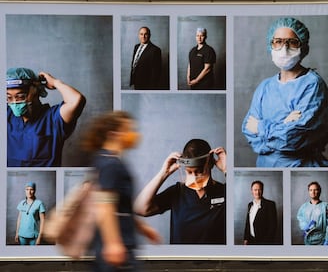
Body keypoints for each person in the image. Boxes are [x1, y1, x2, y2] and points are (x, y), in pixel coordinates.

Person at [242, 17, 328, 167]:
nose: (284, 49)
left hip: (299, 167)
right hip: (265, 167)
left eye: (292, 42)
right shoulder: (265, 87)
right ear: (270, 45)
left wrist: (261, 127)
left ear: (302, 46)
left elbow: (293, 138)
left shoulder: (312, 84)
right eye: (278, 41)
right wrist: (284, 124)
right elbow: (248, 130)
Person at [81, 110, 161, 271]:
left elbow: (118, 204)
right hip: (116, 247)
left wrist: (141, 226)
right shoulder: (111, 165)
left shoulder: (104, 160)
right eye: (130, 130)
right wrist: (113, 244)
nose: (134, 134)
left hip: (118, 244)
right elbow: (105, 206)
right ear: (114, 134)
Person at [135, 139, 226, 244]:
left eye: (199, 172)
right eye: (189, 172)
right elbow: (140, 209)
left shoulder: (224, 192)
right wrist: (164, 173)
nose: (194, 178)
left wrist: (226, 170)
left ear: (210, 164)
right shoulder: (177, 192)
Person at [7, 67, 86, 167]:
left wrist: (56, 82)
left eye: (21, 96)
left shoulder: (53, 119)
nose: (14, 102)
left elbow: (76, 100)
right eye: (9, 97)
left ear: (35, 91)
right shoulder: (7, 115)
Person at [297, 181, 328, 245]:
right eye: (311, 190)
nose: (313, 192)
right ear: (308, 192)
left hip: (321, 240)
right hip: (308, 239)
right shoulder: (304, 206)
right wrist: (305, 226)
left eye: (315, 190)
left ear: (319, 191)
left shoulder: (326, 206)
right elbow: (300, 218)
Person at [243, 180, 277, 245]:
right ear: (252, 191)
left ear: (262, 190)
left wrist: (266, 243)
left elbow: (273, 226)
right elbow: (248, 223)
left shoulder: (270, 204)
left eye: (259, 190)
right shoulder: (250, 205)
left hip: (264, 242)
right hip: (251, 240)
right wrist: (246, 239)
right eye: (255, 190)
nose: (257, 192)